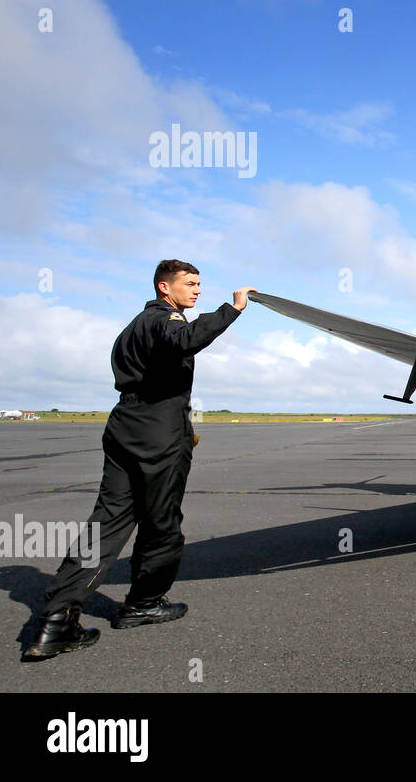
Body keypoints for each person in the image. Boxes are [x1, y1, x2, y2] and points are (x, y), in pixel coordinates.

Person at [24, 260, 255, 659]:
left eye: (200, 284)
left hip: (124, 425)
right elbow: (186, 340)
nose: (197, 290)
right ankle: (144, 604)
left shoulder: (133, 326)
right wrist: (231, 310)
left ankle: (56, 620)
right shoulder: (166, 320)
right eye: (190, 284)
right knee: (161, 521)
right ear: (165, 288)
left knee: (107, 520)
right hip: (158, 428)